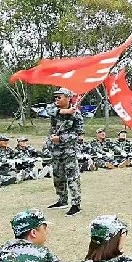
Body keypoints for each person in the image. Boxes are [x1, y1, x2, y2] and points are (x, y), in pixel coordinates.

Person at [45, 87, 85, 216]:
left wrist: (61, 138)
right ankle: (62, 200)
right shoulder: (53, 108)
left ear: (68, 98)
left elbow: (78, 135)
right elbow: (48, 110)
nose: (56, 99)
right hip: (55, 150)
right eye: (55, 97)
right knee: (57, 175)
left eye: (59, 97)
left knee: (72, 176)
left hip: (69, 150)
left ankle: (76, 204)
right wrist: (66, 111)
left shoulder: (76, 115)